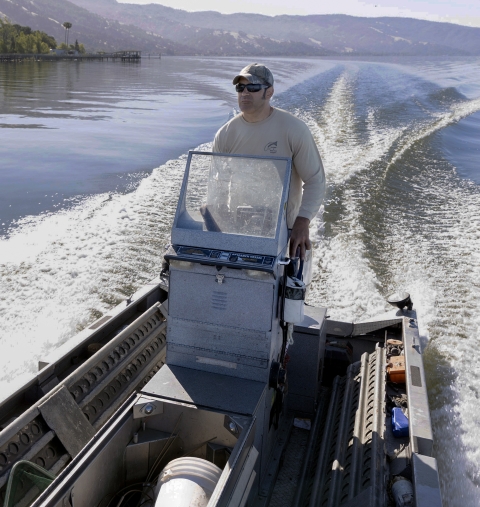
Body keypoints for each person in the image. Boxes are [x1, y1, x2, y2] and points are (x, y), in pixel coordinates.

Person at [212, 63, 325, 259]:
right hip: (239, 228)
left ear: (269, 92)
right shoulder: (226, 134)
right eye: (240, 88)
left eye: (253, 87)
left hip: (284, 231)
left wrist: (302, 221)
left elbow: (315, 181)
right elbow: (217, 184)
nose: (245, 93)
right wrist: (217, 214)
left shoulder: (294, 130)